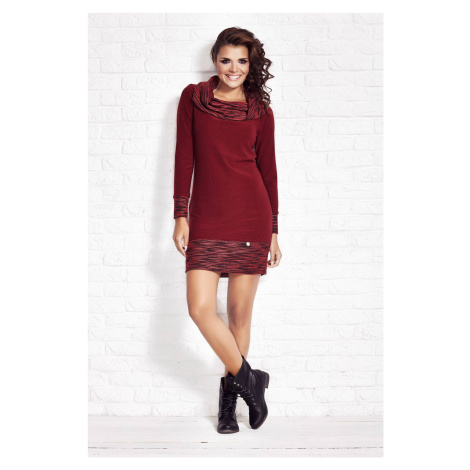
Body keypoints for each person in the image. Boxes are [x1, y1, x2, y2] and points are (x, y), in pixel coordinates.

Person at [172, 27, 282, 434]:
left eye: (242, 61)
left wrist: (274, 230)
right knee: (200, 309)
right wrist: (180, 215)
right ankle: (252, 380)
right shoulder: (194, 99)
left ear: (251, 65)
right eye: (226, 60)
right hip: (206, 218)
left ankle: (228, 407)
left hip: (252, 216)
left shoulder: (260, 111)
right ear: (215, 61)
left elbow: (268, 171)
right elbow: (184, 157)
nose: (233, 68)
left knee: (238, 314)